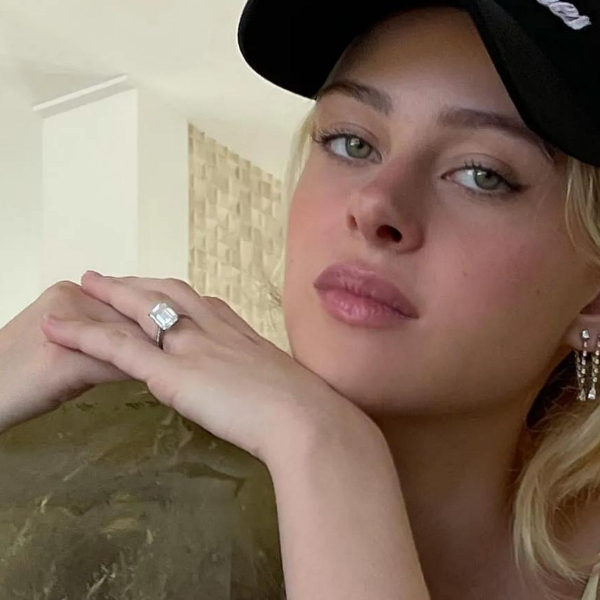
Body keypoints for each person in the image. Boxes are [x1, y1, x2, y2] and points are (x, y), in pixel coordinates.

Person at [2, 0, 600, 598]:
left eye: (481, 174)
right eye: (351, 142)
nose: (375, 204)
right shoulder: (111, 492)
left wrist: (331, 455)